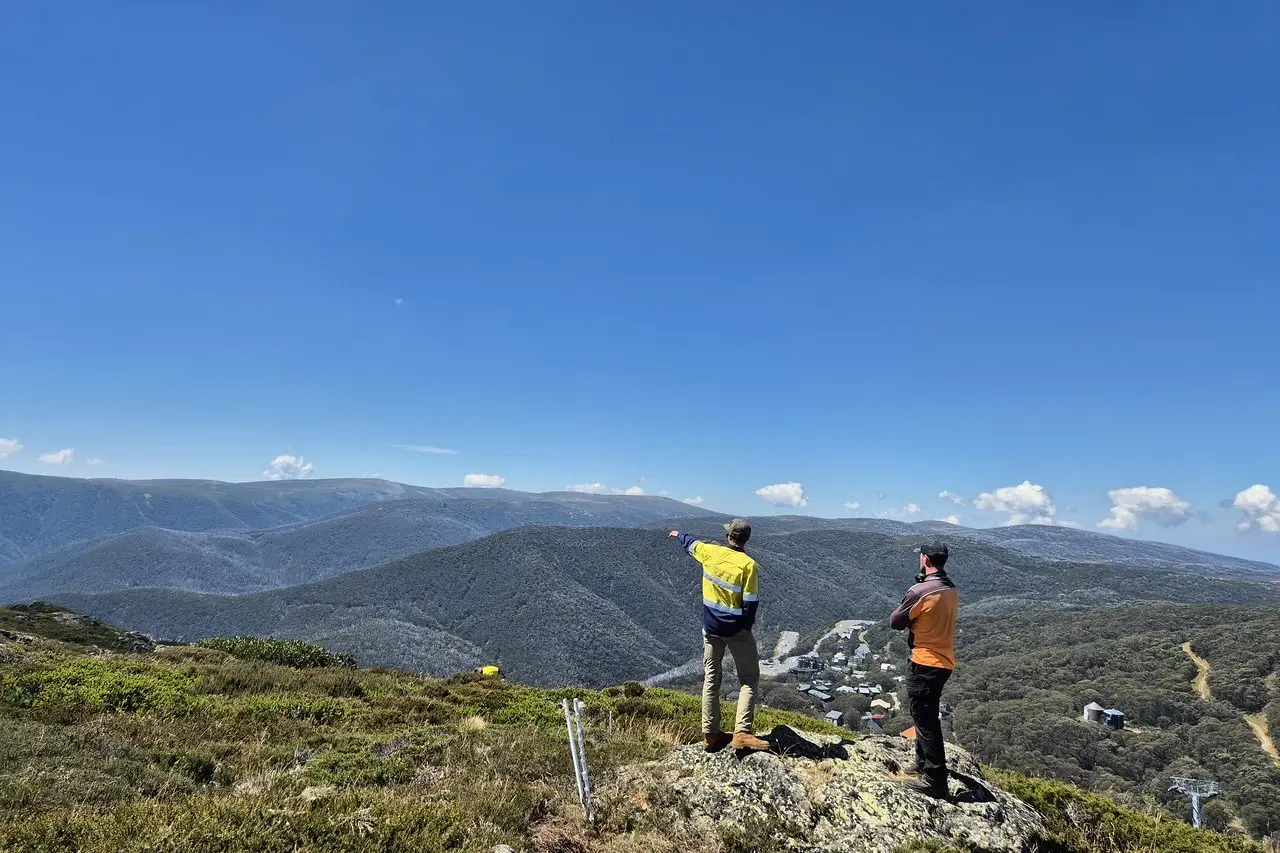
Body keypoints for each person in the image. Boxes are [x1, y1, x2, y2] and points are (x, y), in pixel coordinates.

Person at [669, 520, 770, 752]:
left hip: (711, 628)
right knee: (749, 679)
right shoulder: (748, 565)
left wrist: (679, 534)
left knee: (711, 679)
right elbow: (750, 603)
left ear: (728, 537)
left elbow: (691, 545)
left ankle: (711, 734)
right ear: (746, 539)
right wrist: (746, 627)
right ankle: (742, 733)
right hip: (735, 630)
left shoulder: (710, 552)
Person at [889, 541, 959, 798]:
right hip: (944, 661)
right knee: (926, 715)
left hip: (924, 661)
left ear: (925, 559)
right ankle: (922, 764)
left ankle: (935, 779)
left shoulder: (920, 591)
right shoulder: (950, 588)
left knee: (925, 719)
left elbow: (896, 621)